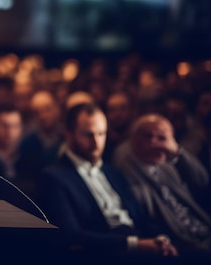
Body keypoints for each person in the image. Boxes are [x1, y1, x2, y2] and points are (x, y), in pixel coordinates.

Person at [35, 103, 179, 264]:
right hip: (102, 254)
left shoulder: (113, 173)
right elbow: (71, 236)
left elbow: (141, 218)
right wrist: (136, 244)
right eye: (88, 135)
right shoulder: (53, 177)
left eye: (101, 134)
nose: (96, 143)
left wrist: (161, 239)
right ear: (68, 135)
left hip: (140, 245)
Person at [112, 114, 211, 258]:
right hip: (181, 241)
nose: (155, 143)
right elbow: (143, 207)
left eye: (162, 138)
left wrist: (177, 151)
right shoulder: (125, 160)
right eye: (148, 136)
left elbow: (202, 181)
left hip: (203, 229)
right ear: (133, 139)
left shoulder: (166, 164)